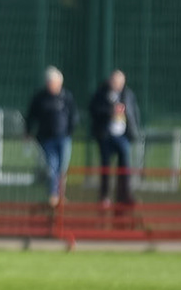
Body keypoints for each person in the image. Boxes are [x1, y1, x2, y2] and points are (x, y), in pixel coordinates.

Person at [26, 67, 76, 208]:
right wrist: (28, 131)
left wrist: (69, 131)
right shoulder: (40, 98)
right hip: (46, 138)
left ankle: (61, 194)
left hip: (63, 138)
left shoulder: (66, 97)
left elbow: (73, 116)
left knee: (62, 167)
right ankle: (53, 195)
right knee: (52, 166)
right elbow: (31, 116)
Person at [88, 69, 140, 206]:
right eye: (115, 82)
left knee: (124, 166)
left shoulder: (128, 95)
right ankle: (104, 195)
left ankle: (124, 194)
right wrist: (109, 111)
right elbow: (94, 109)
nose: (118, 85)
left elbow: (133, 112)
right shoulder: (101, 93)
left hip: (122, 136)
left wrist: (133, 130)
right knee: (106, 166)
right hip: (105, 135)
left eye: (120, 82)